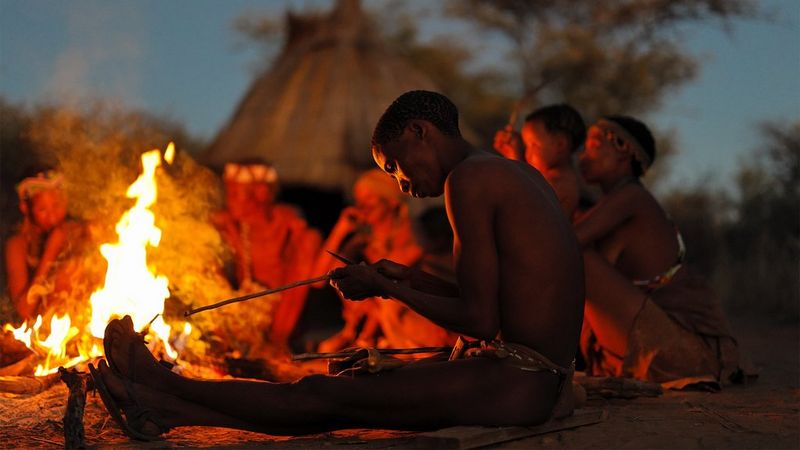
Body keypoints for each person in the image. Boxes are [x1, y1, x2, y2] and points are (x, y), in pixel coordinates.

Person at [90, 90, 585, 439]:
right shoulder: (510, 174)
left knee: (318, 397)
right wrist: (406, 276)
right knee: (343, 390)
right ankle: (166, 407)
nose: (402, 185)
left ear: (421, 132)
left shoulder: (469, 182)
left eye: (394, 166)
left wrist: (385, 287)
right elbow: (494, 301)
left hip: (521, 381)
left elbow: (480, 321)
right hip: (535, 376)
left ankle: (162, 386)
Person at [574, 116, 743, 388]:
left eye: (593, 144)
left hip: (681, 353)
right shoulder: (607, 207)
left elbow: (563, 242)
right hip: (655, 344)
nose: (583, 156)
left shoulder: (633, 199)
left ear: (622, 148)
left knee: (574, 256)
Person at [310, 168, 440, 352]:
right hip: (371, 322)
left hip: (407, 318)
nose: (362, 206)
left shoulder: (411, 234)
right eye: (359, 200)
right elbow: (317, 279)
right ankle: (363, 338)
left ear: (391, 202)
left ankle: (372, 340)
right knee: (340, 268)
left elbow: (393, 282)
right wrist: (340, 230)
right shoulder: (363, 241)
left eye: (369, 199)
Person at [210, 160, 321, 346]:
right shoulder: (232, 225)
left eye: (237, 193)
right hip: (245, 312)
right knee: (202, 251)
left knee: (310, 240)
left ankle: (278, 342)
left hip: (282, 314)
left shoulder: (287, 224)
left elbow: (309, 270)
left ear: (261, 193)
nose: (230, 200)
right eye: (230, 193)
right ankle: (223, 338)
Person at [4, 167, 86, 320]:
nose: (52, 216)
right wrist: (51, 249)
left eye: (56, 205)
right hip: (43, 331)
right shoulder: (17, 245)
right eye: (42, 209)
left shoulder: (77, 230)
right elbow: (24, 310)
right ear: (26, 208)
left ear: (66, 200)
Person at [494, 104, 586, 218]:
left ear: (560, 144)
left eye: (534, 145)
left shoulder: (560, 184)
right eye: (526, 146)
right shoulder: (543, 179)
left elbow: (522, 210)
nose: (527, 154)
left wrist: (515, 160)